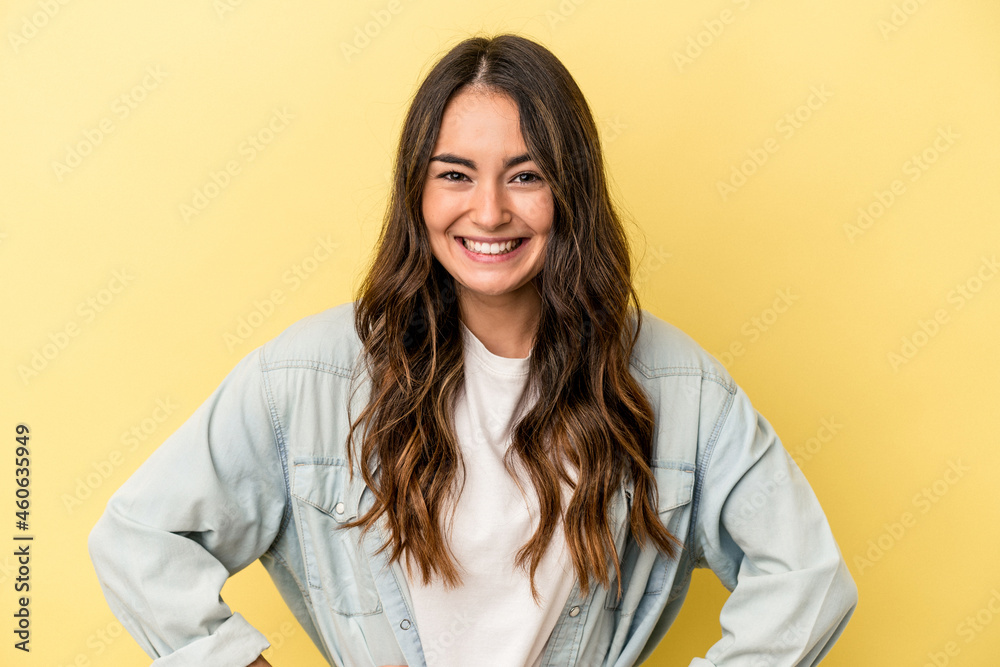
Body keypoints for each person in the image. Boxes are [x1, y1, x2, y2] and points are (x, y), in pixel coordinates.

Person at [88, 33, 858, 667]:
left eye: (526, 176)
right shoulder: (308, 377)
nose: (488, 211)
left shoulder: (678, 387)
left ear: (571, 194)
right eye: (454, 174)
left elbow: (809, 578)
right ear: (417, 193)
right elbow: (138, 536)